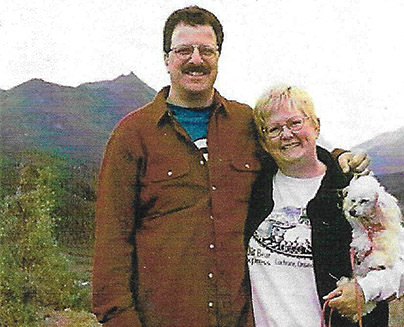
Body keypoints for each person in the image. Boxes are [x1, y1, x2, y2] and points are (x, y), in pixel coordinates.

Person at [92, 6, 367, 326]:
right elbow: (112, 245)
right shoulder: (132, 135)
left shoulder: (245, 124)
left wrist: (337, 157)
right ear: (166, 59)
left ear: (218, 56)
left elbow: (292, 150)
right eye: (183, 50)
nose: (196, 59)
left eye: (206, 50)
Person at [244, 85, 404, 327]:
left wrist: (364, 290)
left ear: (316, 126)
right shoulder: (255, 190)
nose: (286, 134)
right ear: (264, 142)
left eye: (295, 123)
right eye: (274, 129)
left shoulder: (352, 188)